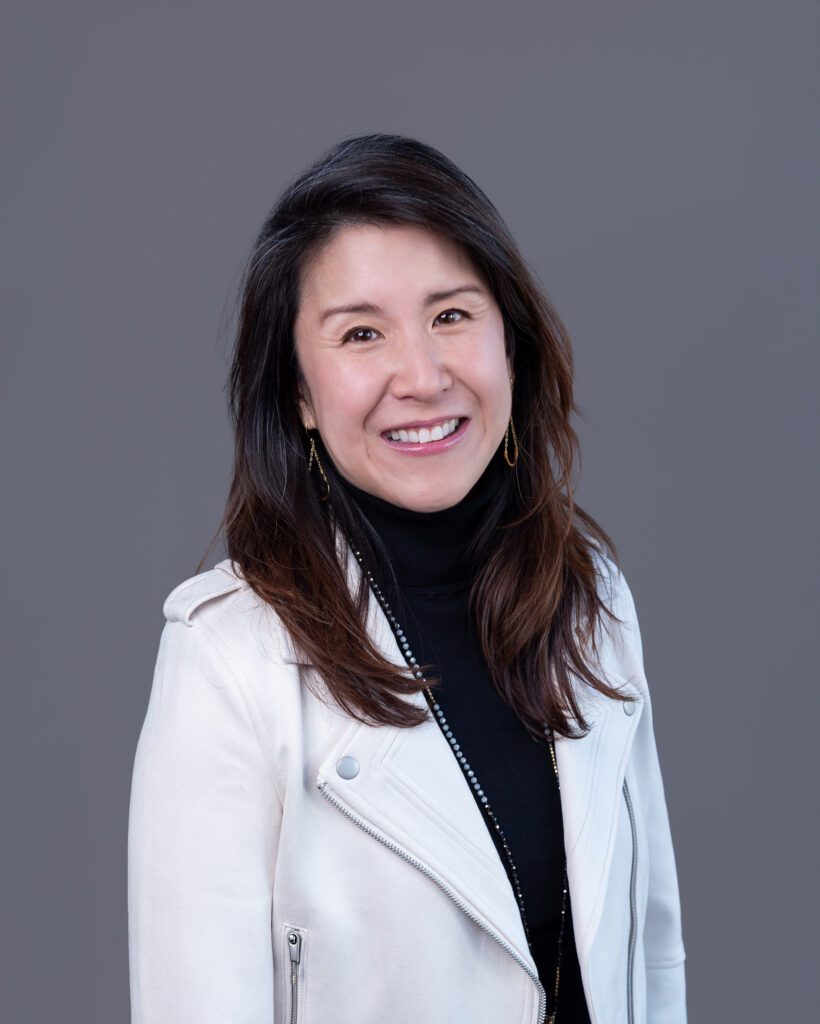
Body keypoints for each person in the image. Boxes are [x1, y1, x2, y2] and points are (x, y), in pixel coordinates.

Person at [127, 133, 687, 1024]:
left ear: (510, 343)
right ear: (299, 394)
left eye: (452, 316)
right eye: (361, 333)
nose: (422, 377)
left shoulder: (590, 600)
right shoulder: (226, 659)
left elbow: (651, 962)